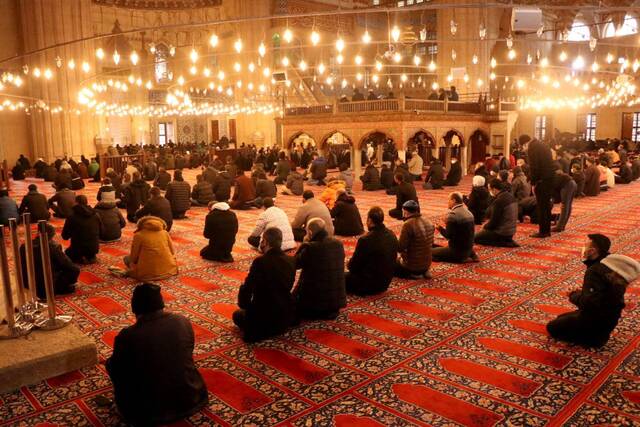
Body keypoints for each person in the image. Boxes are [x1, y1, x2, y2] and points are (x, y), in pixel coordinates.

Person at [106, 283, 208, 426]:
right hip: (192, 398)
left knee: (111, 365)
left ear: (135, 309)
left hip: (150, 412)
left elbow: (117, 370)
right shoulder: (182, 321)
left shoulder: (127, 336)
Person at [546, 234, 640, 348]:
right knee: (561, 318)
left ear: (592, 251)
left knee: (552, 327)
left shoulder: (594, 271)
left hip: (595, 320)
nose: (583, 249)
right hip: (610, 318)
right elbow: (604, 294)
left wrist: (573, 295)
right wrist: (584, 292)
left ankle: (592, 339)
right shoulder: (611, 266)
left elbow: (589, 303)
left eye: (585, 246)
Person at [233, 228, 296, 342]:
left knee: (237, 315)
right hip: (284, 316)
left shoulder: (260, 262)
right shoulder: (291, 260)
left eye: (262, 240)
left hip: (263, 318)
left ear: (265, 242)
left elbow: (248, 289)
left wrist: (244, 305)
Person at [293, 218, 346, 320]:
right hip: (335, 304)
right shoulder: (338, 244)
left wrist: (304, 244)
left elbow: (295, 264)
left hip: (315, 305)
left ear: (310, 233)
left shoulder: (311, 247)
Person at [345, 207, 399, 295]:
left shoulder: (365, 240)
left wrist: (349, 264)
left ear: (369, 220)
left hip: (368, 284)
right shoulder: (391, 234)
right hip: (385, 283)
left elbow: (354, 266)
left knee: (339, 278)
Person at [20, 223, 79, 299]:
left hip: (28, 284)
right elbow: (73, 268)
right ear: (51, 237)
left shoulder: (23, 246)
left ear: (38, 233)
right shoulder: (52, 248)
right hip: (46, 290)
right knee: (72, 270)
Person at [125, 216, 177, 281]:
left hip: (146, 274)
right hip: (169, 270)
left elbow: (134, 255)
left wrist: (132, 263)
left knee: (126, 259)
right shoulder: (165, 233)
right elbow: (172, 251)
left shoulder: (139, 235)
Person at [394, 200, 434, 279]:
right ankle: (424, 271)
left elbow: (400, 248)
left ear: (405, 212)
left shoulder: (408, 224)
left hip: (412, 266)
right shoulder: (428, 221)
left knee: (389, 263)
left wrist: (394, 240)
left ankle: (413, 274)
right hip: (427, 264)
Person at [433, 193, 477, 263]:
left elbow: (448, 236)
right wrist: (448, 223)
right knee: (438, 248)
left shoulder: (453, 215)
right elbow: (460, 230)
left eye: (449, 200)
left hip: (456, 252)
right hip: (469, 249)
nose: (448, 202)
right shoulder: (469, 212)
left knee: (429, 252)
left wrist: (439, 228)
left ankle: (458, 259)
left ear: (453, 200)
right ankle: (471, 256)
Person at [474, 179, 519, 247]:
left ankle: (504, 243)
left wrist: (485, 227)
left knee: (475, 238)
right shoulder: (511, 196)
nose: (489, 191)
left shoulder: (499, 201)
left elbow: (493, 223)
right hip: (511, 232)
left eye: (490, 189)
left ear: (494, 189)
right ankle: (507, 241)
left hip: (501, 233)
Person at [527, 139, 556, 238]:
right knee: (546, 206)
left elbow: (534, 167)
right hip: (549, 178)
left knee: (541, 207)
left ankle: (543, 231)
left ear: (525, 143)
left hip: (542, 180)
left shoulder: (533, 147)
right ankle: (546, 230)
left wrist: (533, 183)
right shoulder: (543, 145)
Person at [61, 195, 101, 264]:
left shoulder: (72, 217)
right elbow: (102, 231)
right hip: (94, 249)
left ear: (76, 203)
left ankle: (81, 259)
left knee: (66, 253)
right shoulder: (96, 214)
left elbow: (65, 236)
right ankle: (90, 257)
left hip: (78, 249)